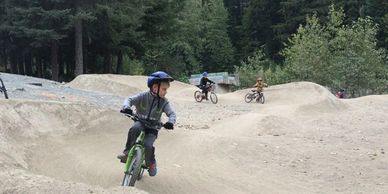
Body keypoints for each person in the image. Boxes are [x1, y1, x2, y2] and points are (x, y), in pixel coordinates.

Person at [117, 71, 176, 177]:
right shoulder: (143, 96)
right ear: (154, 87)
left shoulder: (164, 102)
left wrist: (170, 122)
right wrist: (126, 107)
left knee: (148, 145)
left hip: (153, 127)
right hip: (140, 122)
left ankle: (151, 163)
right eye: (164, 89)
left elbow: (172, 113)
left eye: (166, 89)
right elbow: (129, 100)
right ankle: (127, 152)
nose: (166, 92)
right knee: (134, 129)